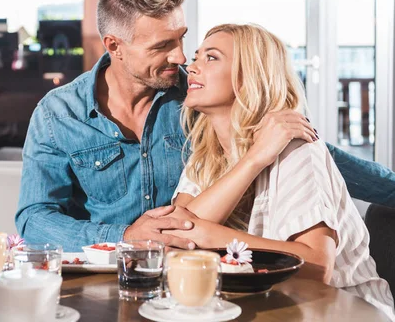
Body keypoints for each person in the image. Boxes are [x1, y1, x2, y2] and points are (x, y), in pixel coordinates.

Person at [16, 0, 395, 253]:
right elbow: (34, 219)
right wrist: (125, 236)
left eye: (182, 38)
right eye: (163, 45)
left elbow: (304, 153)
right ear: (115, 45)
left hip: (202, 271)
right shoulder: (58, 114)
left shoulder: (202, 96)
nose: (181, 58)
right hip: (109, 270)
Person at [168, 23, 394, 319]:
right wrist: (252, 161)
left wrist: (213, 235)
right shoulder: (205, 155)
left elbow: (316, 267)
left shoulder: (297, 148)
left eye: (211, 57)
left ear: (250, 77)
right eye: (196, 56)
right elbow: (174, 234)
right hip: (269, 308)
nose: (191, 66)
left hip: (345, 311)